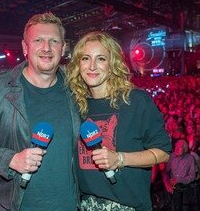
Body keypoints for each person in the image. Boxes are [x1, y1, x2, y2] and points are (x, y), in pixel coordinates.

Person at [0, 12, 81, 211]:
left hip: (69, 205)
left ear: (62, 48)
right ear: (25, 48)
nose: (47, 47)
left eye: (54, 41)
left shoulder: (77, 86)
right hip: (16, 206)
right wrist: (10, 159)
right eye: (38, 40)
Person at [66, 31, 171, 211]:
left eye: (100, 59)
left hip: (127, 206)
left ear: (112, 64)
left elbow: (163, 152)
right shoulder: (75, 105)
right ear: (78, 64)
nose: (92, 66)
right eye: (85, 58)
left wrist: (120, 159)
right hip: (84, 205)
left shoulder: (136, 100)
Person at [164, 139, 196, 211]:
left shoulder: (190, 158)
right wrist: (168, 183)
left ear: (184, 149)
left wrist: (179, 180)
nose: (177, 149)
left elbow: (192, 176)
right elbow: (165, 172)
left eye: (179, 147)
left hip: (184, 188)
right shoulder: (171, 156)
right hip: (172, 188)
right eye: (176, 147)